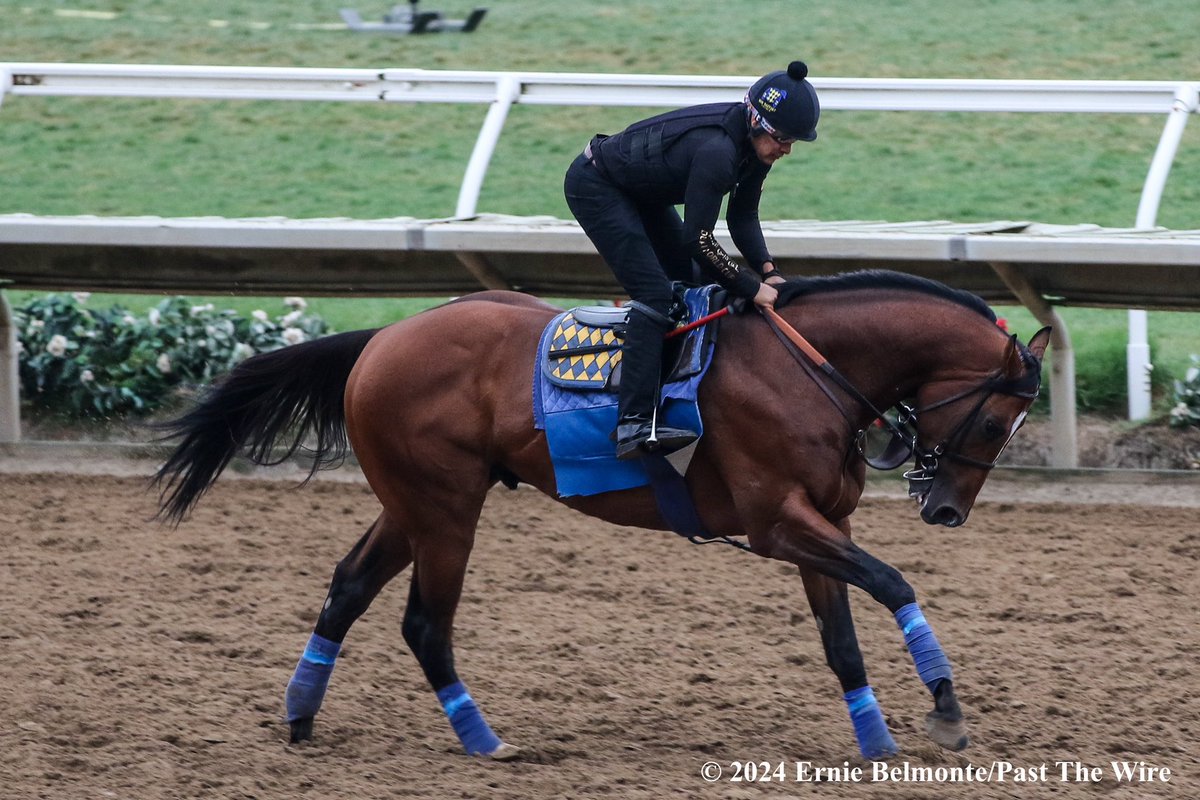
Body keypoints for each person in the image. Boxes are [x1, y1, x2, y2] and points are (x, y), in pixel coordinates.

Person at [564, 61, 820, 460]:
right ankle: (633, 422)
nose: (786, 149)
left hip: (640, 195)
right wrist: (751, 288)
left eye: (794, 142)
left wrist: (771, 273)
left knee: (695, 283)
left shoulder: (754, 150)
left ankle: (682, 394)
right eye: (783, 138)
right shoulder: (717, 151)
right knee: (656, 295)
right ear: (756, 120)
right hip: (596, 186)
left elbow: (742, 217)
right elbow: (698, 239)